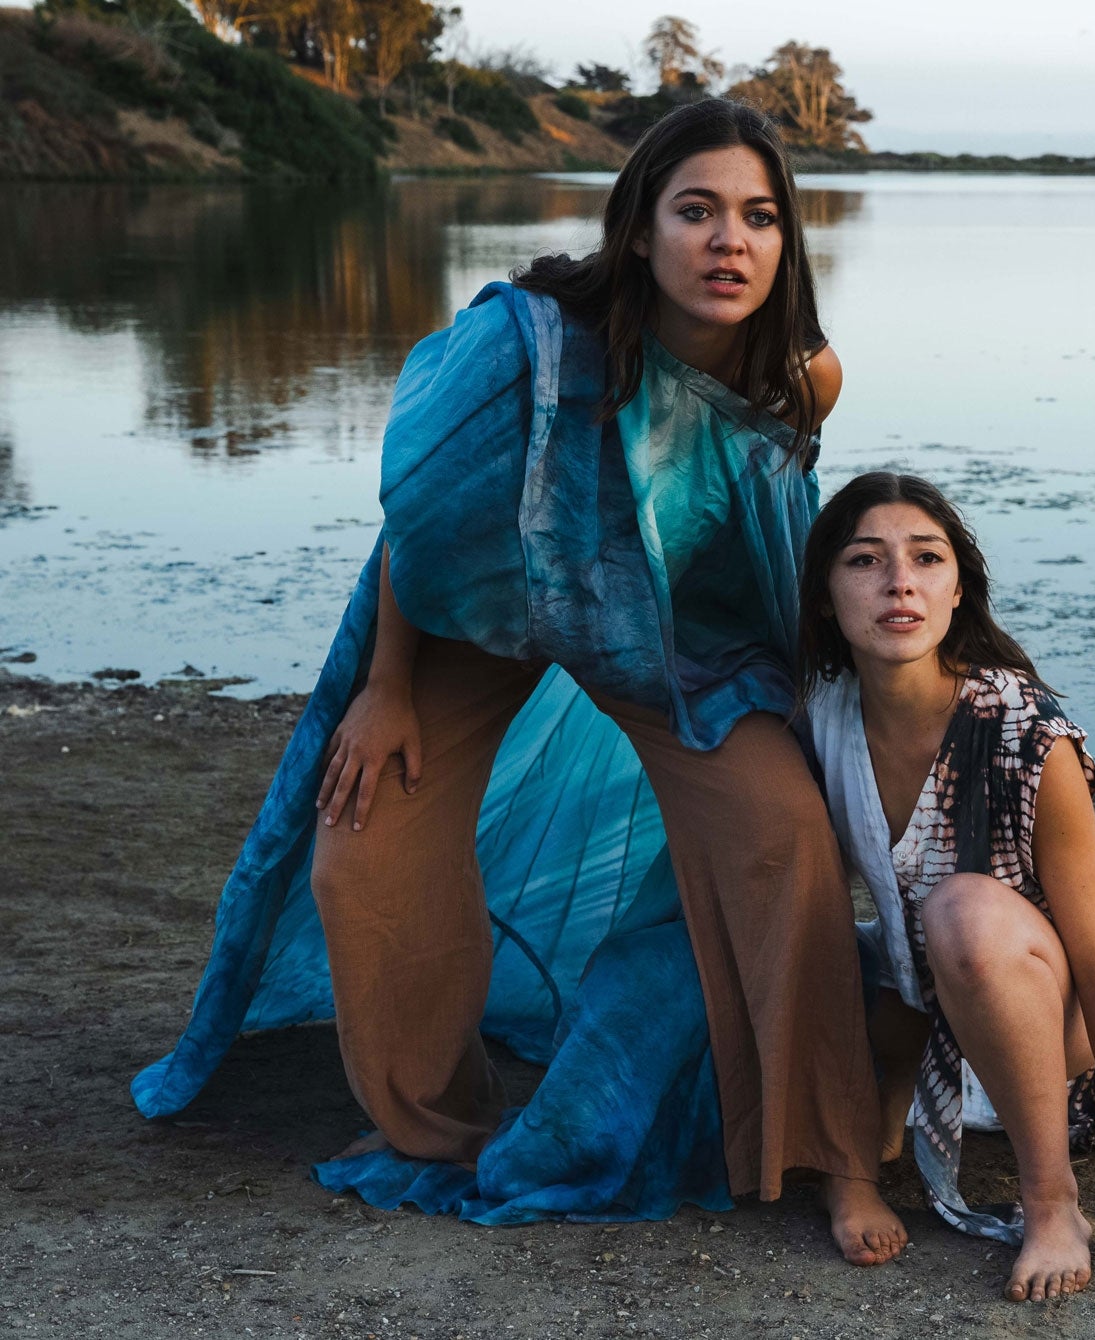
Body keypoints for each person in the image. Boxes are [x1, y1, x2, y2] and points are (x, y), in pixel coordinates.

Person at [130, 99, 905, 1266]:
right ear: (639, 231)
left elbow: (760, 535)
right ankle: (441, 1122)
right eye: (695, 211)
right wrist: (387, 683)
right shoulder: (530, 342)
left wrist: (817, 697)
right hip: (484, 614)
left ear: (787, 241)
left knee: (784, 831)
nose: (727, 241)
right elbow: (423, 520)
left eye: (757, 216)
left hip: (664, 634)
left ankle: (830, 1148)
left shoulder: (802, 373)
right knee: (362, 844)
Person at [799, 472, 1095, 1301]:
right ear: (828, 595)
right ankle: (865, 1147)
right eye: (865, 561)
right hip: (925, 989)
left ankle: (1052, 1201)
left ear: (957, 592)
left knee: (963, 912)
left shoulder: (1026, 734)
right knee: (819, 937)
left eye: (926, 559)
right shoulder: (820, 717)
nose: (898, 581)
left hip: (1048, 1009)